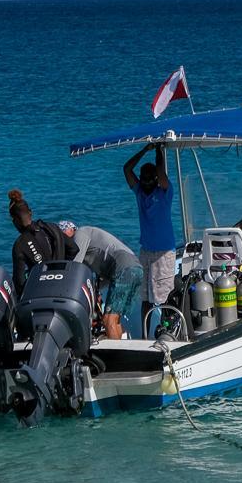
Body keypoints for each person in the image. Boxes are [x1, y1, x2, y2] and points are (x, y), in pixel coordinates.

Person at [122, 142, 176, 331]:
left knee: (164, 297)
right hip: (146, 251)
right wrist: (145, 149)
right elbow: (127, 168)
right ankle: (145, 335)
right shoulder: (139, 193)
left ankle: (167, 332)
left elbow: (161, 174)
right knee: (145, 298)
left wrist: (159, 151)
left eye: (148, 180)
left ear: (154, 179)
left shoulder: (165, 193)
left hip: (164, 253)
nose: (144, 183)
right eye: (142, 179)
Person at [58, 221, 141, 339]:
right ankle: (122, 350)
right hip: (135, 268)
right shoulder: (88, 247)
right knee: (115, 319)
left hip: (125, 267)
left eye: (63, 236)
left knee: (108, 319)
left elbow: (75, 267)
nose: (64, 242)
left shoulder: (80, 233)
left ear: (71, 229)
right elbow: (102, 275)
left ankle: (115, 356)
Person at [7, 188, 76, 293]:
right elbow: (74, 249)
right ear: (31, 212)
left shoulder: (19, 244)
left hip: (42, 292)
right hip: (64, 287)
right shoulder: (52, 227)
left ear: (14, 221)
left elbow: (19, 282)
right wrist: (61, 267)